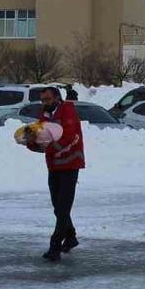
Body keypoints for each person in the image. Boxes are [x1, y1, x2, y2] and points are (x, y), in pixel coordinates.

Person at [35, 86, 85, 261]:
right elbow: (41, 136)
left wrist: (50, 147)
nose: (44, 103)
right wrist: (31, 142)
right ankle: (70, 237)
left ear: (57, 98)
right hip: (54, 166)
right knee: (58, 206)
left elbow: (69, 136)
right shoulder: (45, 115)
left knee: (63, 207)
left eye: (47, 99)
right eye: (42, 100)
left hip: (70, 164)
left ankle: (54, 246)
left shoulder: (68, 111)